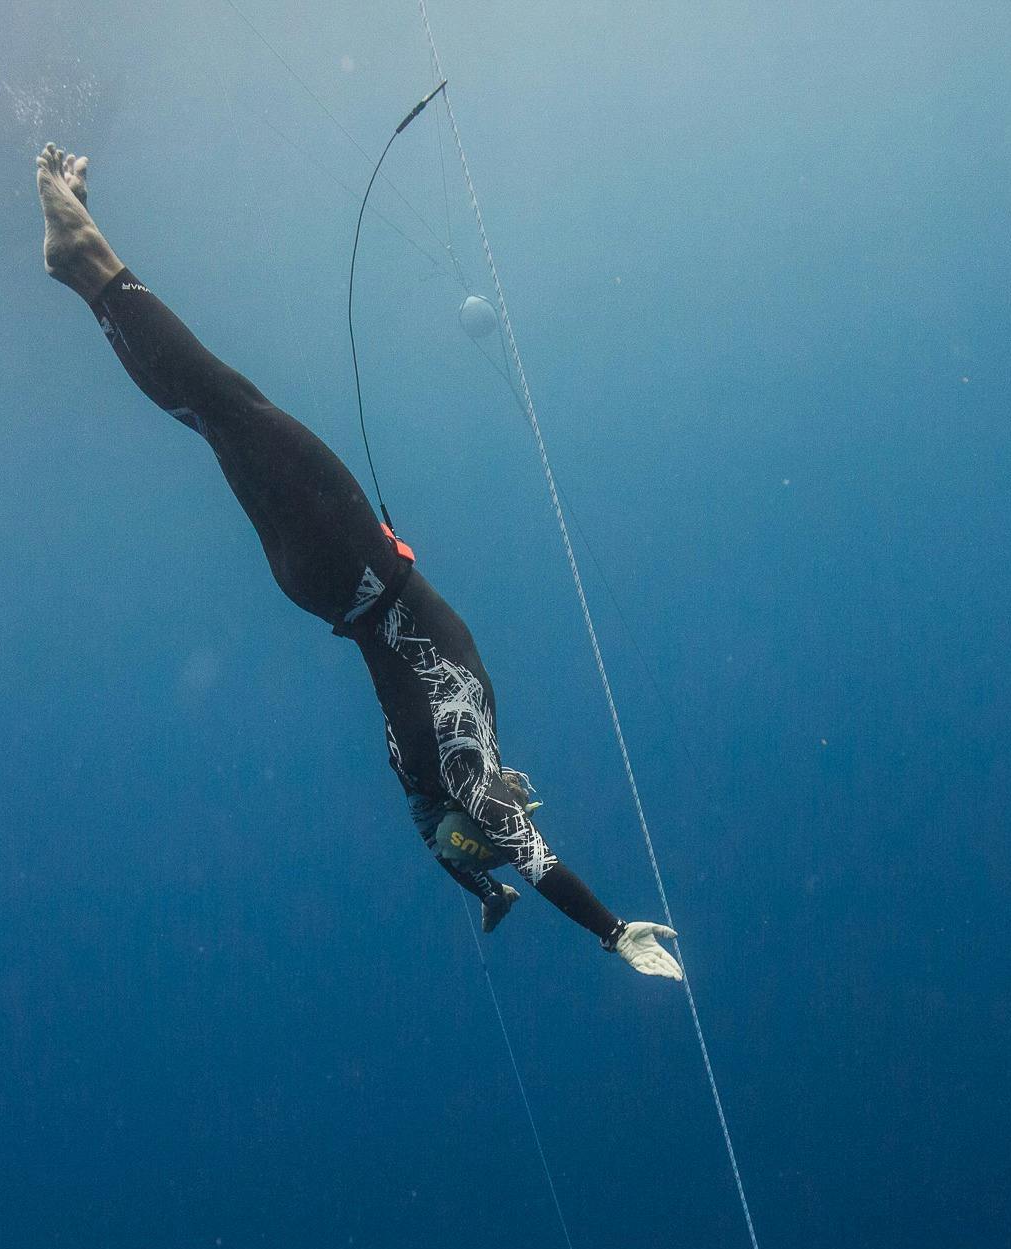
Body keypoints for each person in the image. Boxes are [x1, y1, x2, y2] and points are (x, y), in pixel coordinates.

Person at [34, 143, 681, 981]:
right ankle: (88, 280)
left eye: (502, 814)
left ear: (480, 816)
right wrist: (483, 888)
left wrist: (613, 930)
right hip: (332, 586)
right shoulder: (430, 780)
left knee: (226, 401)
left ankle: (85, 257)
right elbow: (460, 844)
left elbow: (531, 856)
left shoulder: (459, 765)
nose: (522, 802)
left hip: (354, 566)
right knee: (210, 415)